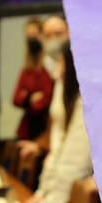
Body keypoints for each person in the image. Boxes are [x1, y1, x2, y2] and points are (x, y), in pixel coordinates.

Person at [22, 44, 91, 203]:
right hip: (58, 192)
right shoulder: (66, 86)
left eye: (62, 64)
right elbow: (58, 142)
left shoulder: (87, 96)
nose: (56, 72)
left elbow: (75, 157)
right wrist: (44, 193)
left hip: (74, 193)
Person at [17, 14, 70, 163]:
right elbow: (17, 98)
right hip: (52, 145)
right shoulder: (54, 71)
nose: (53, 40)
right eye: (47, 36)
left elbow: (44, 99)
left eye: (58, 34)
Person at [11, 18, 53, 150]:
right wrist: (31, 98)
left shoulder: (49, 65)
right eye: (28, 38)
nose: (32, 41)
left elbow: (47, 98)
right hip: (29, 127)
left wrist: (27, 98)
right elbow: (16, 98)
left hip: (47, 125)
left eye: (34, 36)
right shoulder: (27, 69)